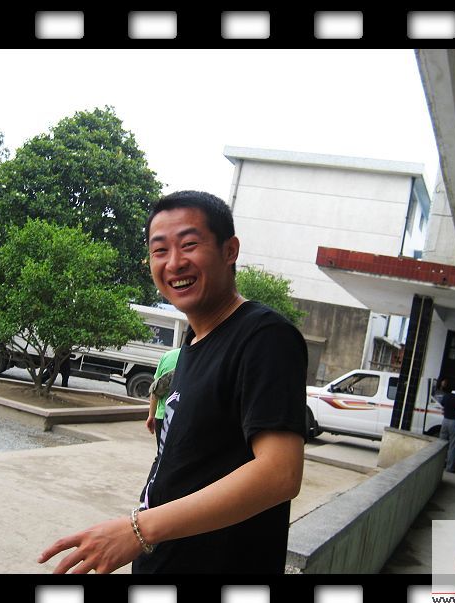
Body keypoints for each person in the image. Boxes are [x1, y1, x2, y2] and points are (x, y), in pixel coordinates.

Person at [38, 190, 308, 574]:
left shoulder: (264, 337)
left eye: (190, 245)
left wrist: (139, 530)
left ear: (230, 250)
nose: (174, 263)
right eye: (160, 250)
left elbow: (280, 474)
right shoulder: (194, 343)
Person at [145, 348, 180, 451]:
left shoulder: (168, 355)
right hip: (186, 419)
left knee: (161, 455)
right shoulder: (205, 359)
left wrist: (151, 415)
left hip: (163, 416)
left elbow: (156, 390)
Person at [438, 380, 455, 473]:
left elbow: (442, 405)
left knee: (440, 444)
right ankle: (450, 467)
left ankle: (438, 464)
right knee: (453, 446)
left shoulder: (447, 396)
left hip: (445, 421)